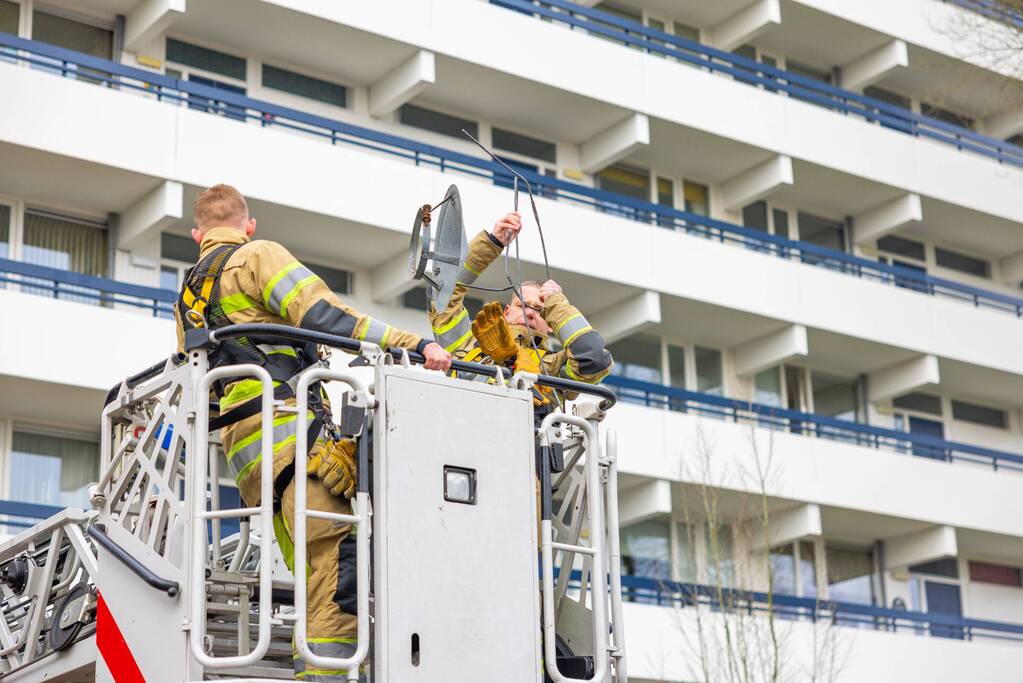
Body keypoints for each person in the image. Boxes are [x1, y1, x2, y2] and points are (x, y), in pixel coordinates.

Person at [175, 184, 451, 681]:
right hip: (288, 436)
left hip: (249, 459)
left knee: (313, 575)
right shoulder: (259, 254)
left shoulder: (189, 294)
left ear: (198, 234)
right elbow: (322, 316)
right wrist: (411, 345)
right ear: (249, 224)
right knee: (340, 559)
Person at [428, 212, 613, 414]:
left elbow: (594, 360)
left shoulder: (554, 367)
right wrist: (492, 243)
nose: (529, 313)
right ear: (506, 311)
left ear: (551, 324)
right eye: (521, 305)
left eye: (540, 310)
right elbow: (441, 293)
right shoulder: (467, 342)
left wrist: (557, 304)